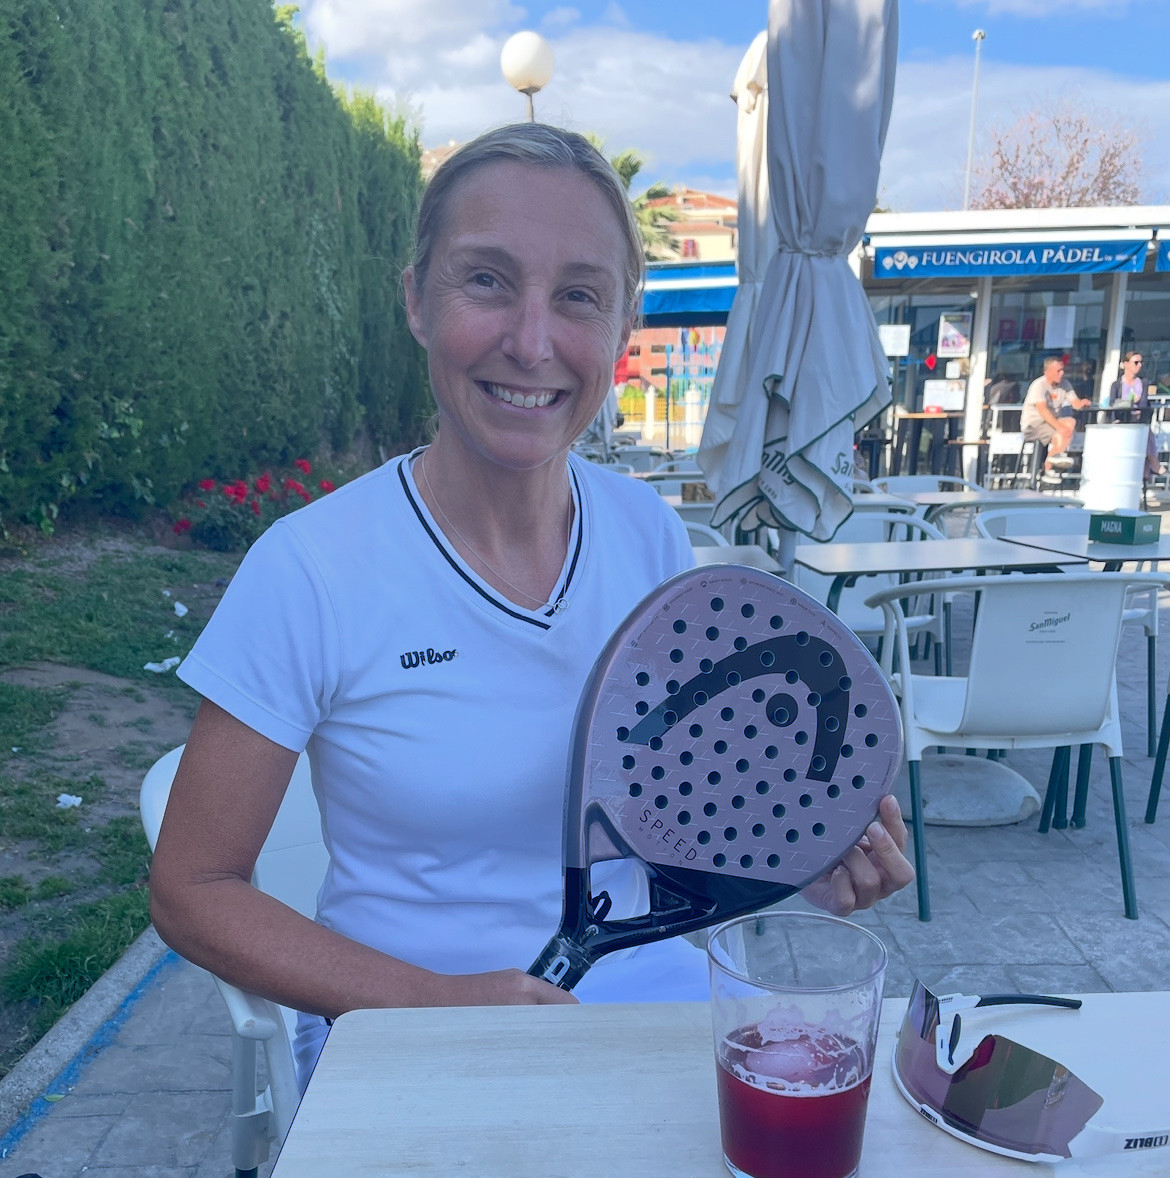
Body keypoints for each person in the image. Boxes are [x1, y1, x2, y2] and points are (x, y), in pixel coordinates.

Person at [148, 123, 914, 1090]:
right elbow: (192, 888)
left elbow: (673, 807)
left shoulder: (647, 534)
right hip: (396, 1032)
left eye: (579, 296)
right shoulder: (309, 569)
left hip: (647, 1010)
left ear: (622, 327)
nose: (532, 341)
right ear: (416, 299)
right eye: (486, 280)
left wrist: (786, 855)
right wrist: (436, 1000)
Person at [1021, 356, 1091, 477]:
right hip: (1034, 424)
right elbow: (1043, 411)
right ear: (1047, 372)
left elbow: (1075, 402)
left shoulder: (1065, 384)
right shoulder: (1039, 385)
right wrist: (1060, 428)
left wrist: (1082, 403)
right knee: (1062, 432)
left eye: (1063, 370)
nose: (1062, 373)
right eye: (1058, 371)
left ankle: (1050, 463)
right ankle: (1049, 469)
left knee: (1070, 422)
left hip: (1051, 422)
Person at [1108, 351, 1164, 478]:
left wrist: (1135, 405)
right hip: (1122, 419)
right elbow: (1112, 403)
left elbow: (1143, 403)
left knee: (1146, 432)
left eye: (1141, 362)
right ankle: (1153, 463)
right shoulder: (1117, 384)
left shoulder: (1143, 382)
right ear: (1126, 364)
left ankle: (1152, 463)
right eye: (1136, 362)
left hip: (1137, 419)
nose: (1139, 365)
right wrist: (1127, 403)